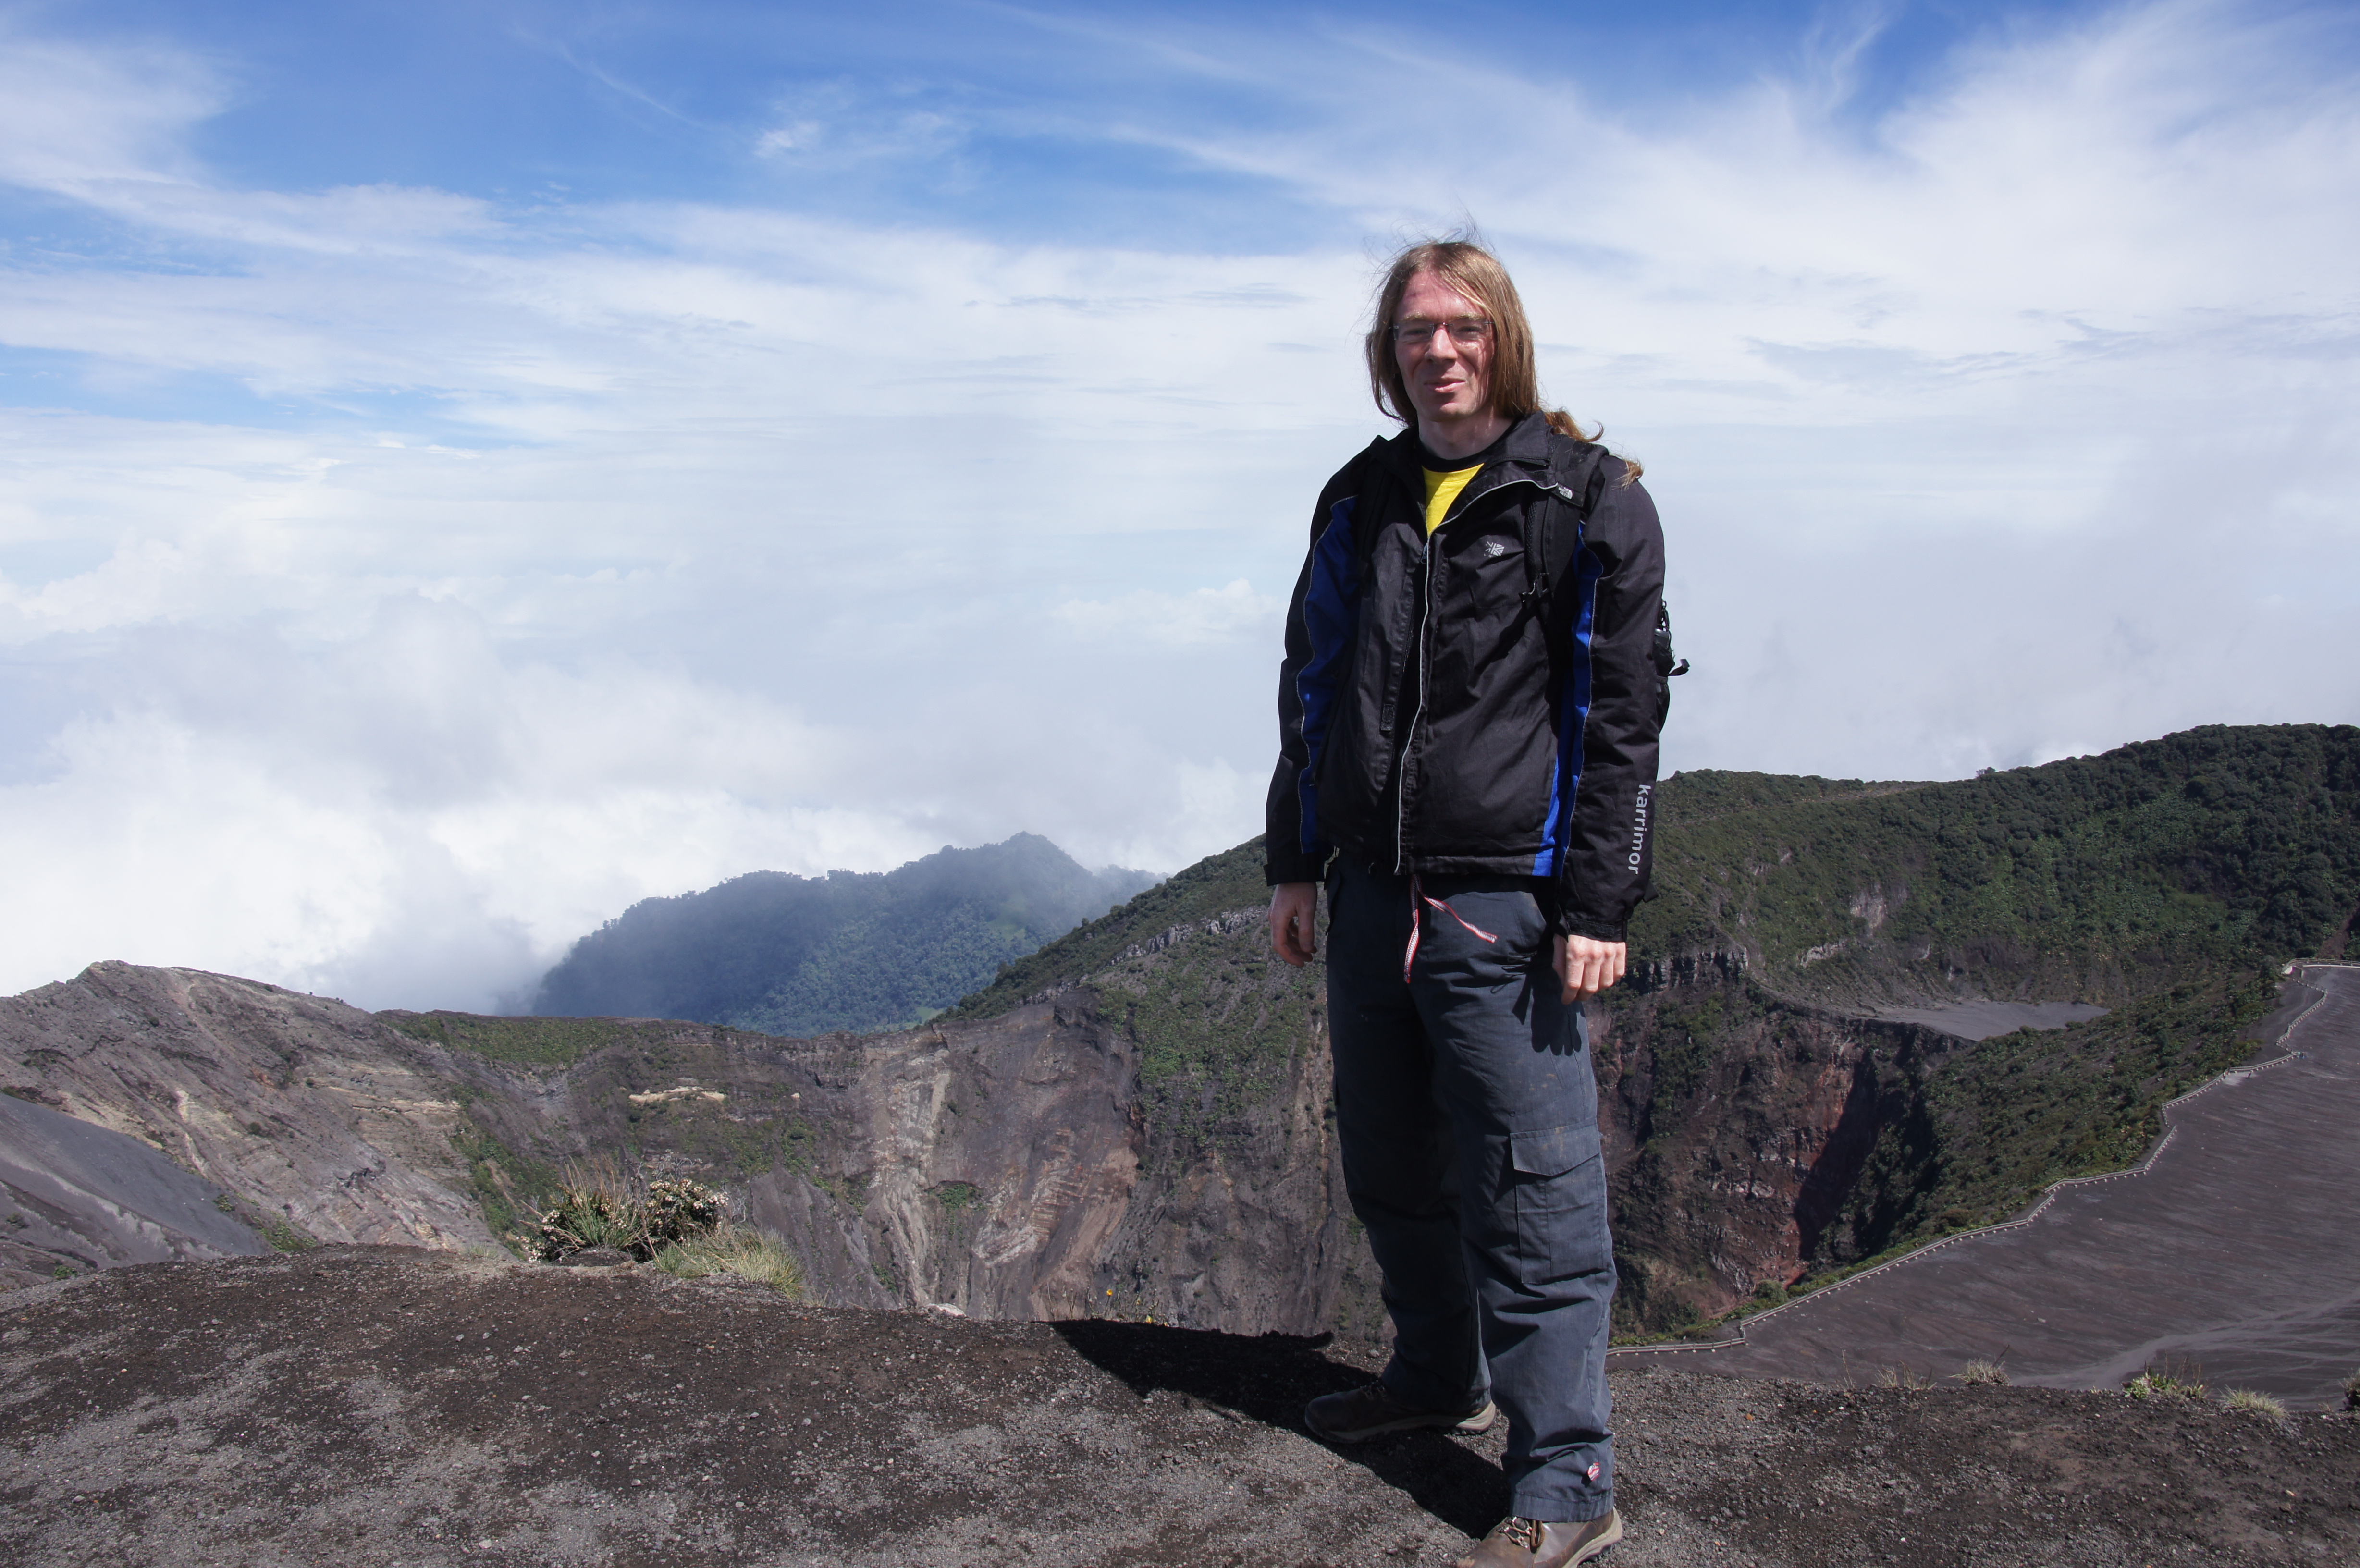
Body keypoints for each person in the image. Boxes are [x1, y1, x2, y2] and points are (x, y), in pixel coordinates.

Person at [1265, 238, 1669, 1568]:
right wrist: (1294, 859)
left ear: (1505, 338)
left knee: (1531, 1188)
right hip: (1372, 893)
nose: (1439, 351)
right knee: (1392, 1163)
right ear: (1387, 354)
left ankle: (1568, 1477)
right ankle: (1439, 1378)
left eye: (1463, 327)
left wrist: (1599, 904)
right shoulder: (1362, 495)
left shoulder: (1588, 499)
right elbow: (1312, 681)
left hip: (1503, 907)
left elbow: (1621, 720)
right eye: (1415, 331)